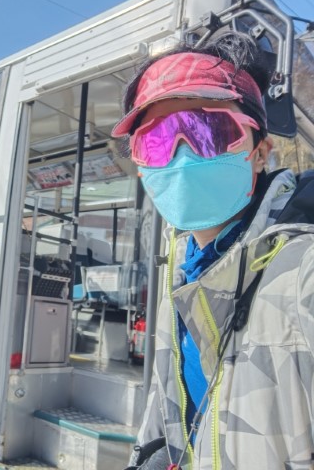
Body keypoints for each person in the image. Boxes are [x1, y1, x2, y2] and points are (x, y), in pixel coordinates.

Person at [111, 32, 314, 469]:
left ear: (261, 153)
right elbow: (166, 424)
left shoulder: (302, 275)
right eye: (157, 140)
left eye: (210, 130)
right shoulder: (180, 275)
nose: (182, 156)